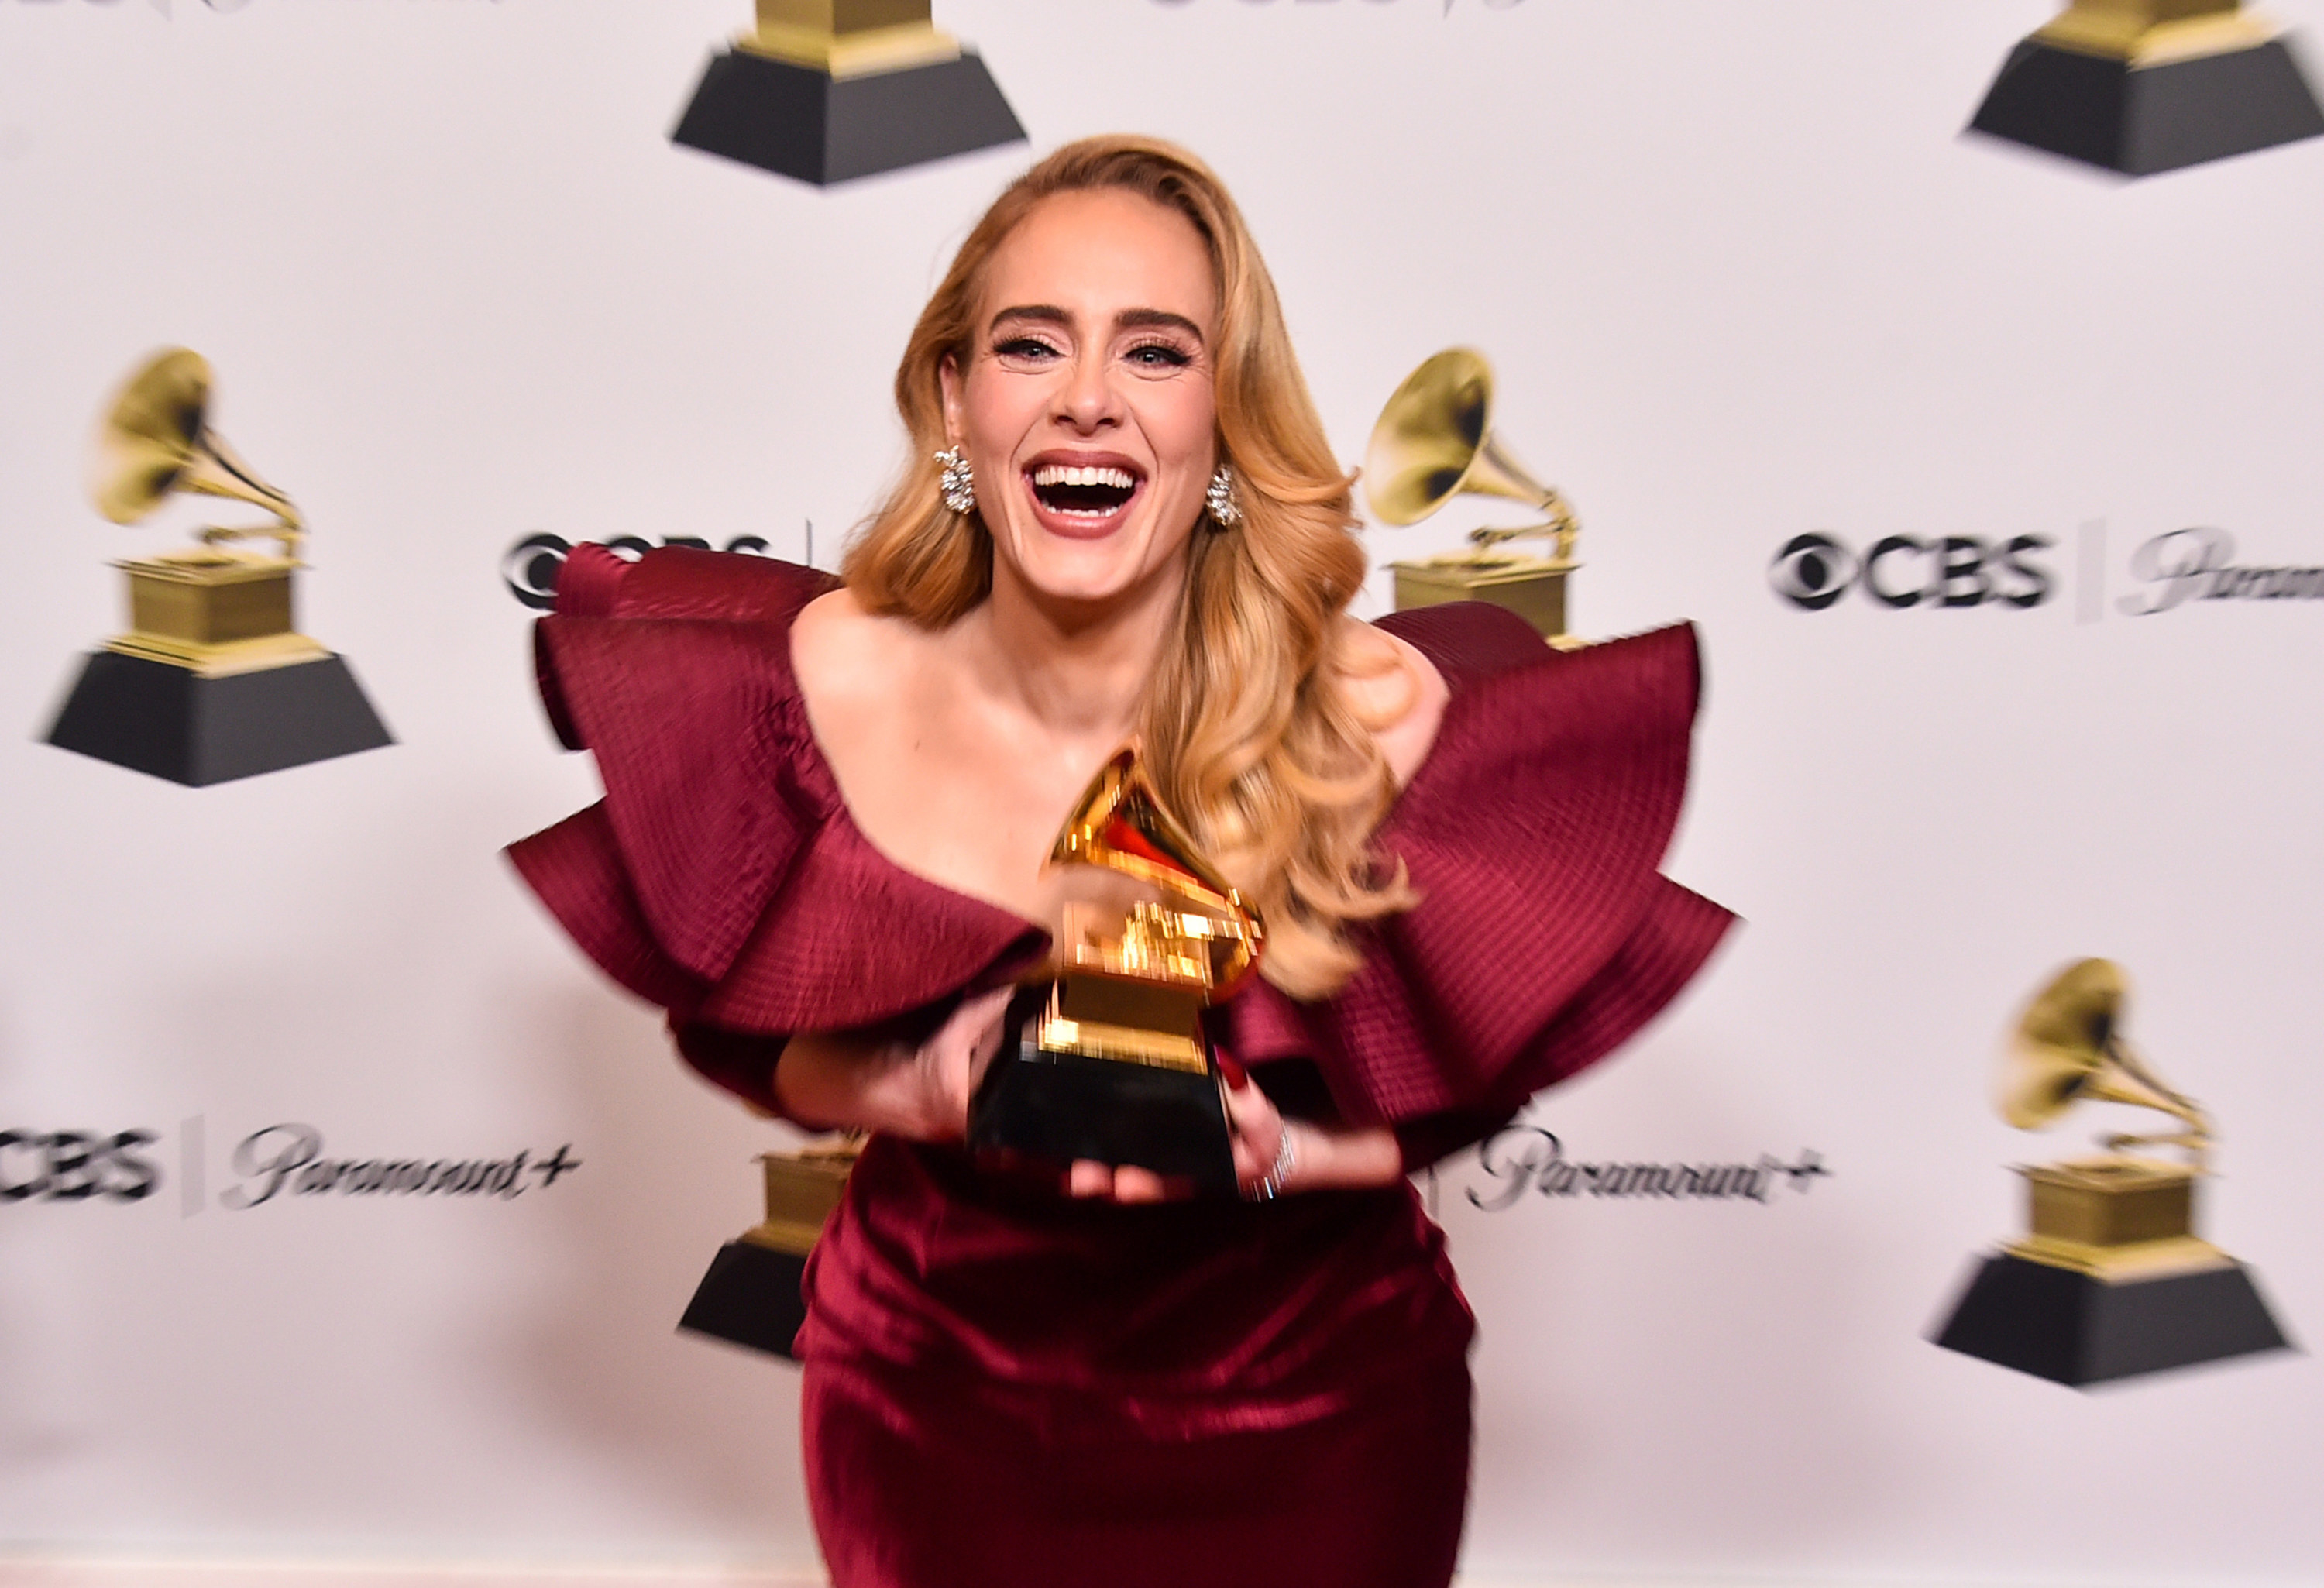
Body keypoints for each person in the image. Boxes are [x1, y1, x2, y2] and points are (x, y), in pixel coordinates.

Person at [509, 135, 1731, 1588]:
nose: (1088, 396)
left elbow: (1461, 1083)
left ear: (1222, 417)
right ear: (958, 399)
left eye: (1156, 352)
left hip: (1320, 1416)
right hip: (934, 1407)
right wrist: (913, 1086)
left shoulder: (1377, 709)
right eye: (1034, 344)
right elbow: (752, 1033)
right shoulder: (807, 679)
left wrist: (1279, 1152)